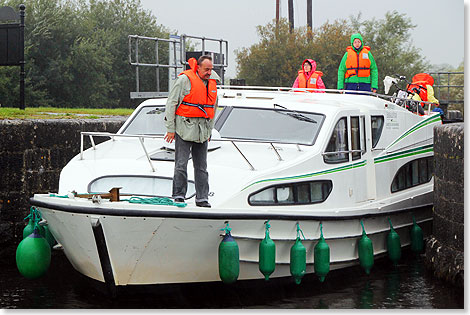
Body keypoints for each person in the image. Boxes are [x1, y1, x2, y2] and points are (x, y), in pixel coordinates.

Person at [164, 55, 220, 208]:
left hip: (202, 132)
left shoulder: (212, 84)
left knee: (202, 167)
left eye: (211, 69)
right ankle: (178, 195)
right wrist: (170, 129)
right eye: (206, 69)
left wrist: (209, 131)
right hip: (184, 129)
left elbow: (213, 109)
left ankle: (202, 198)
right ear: (198, 67)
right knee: (181, 164)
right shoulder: (184, 80)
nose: (209, 72)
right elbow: (171, 104)